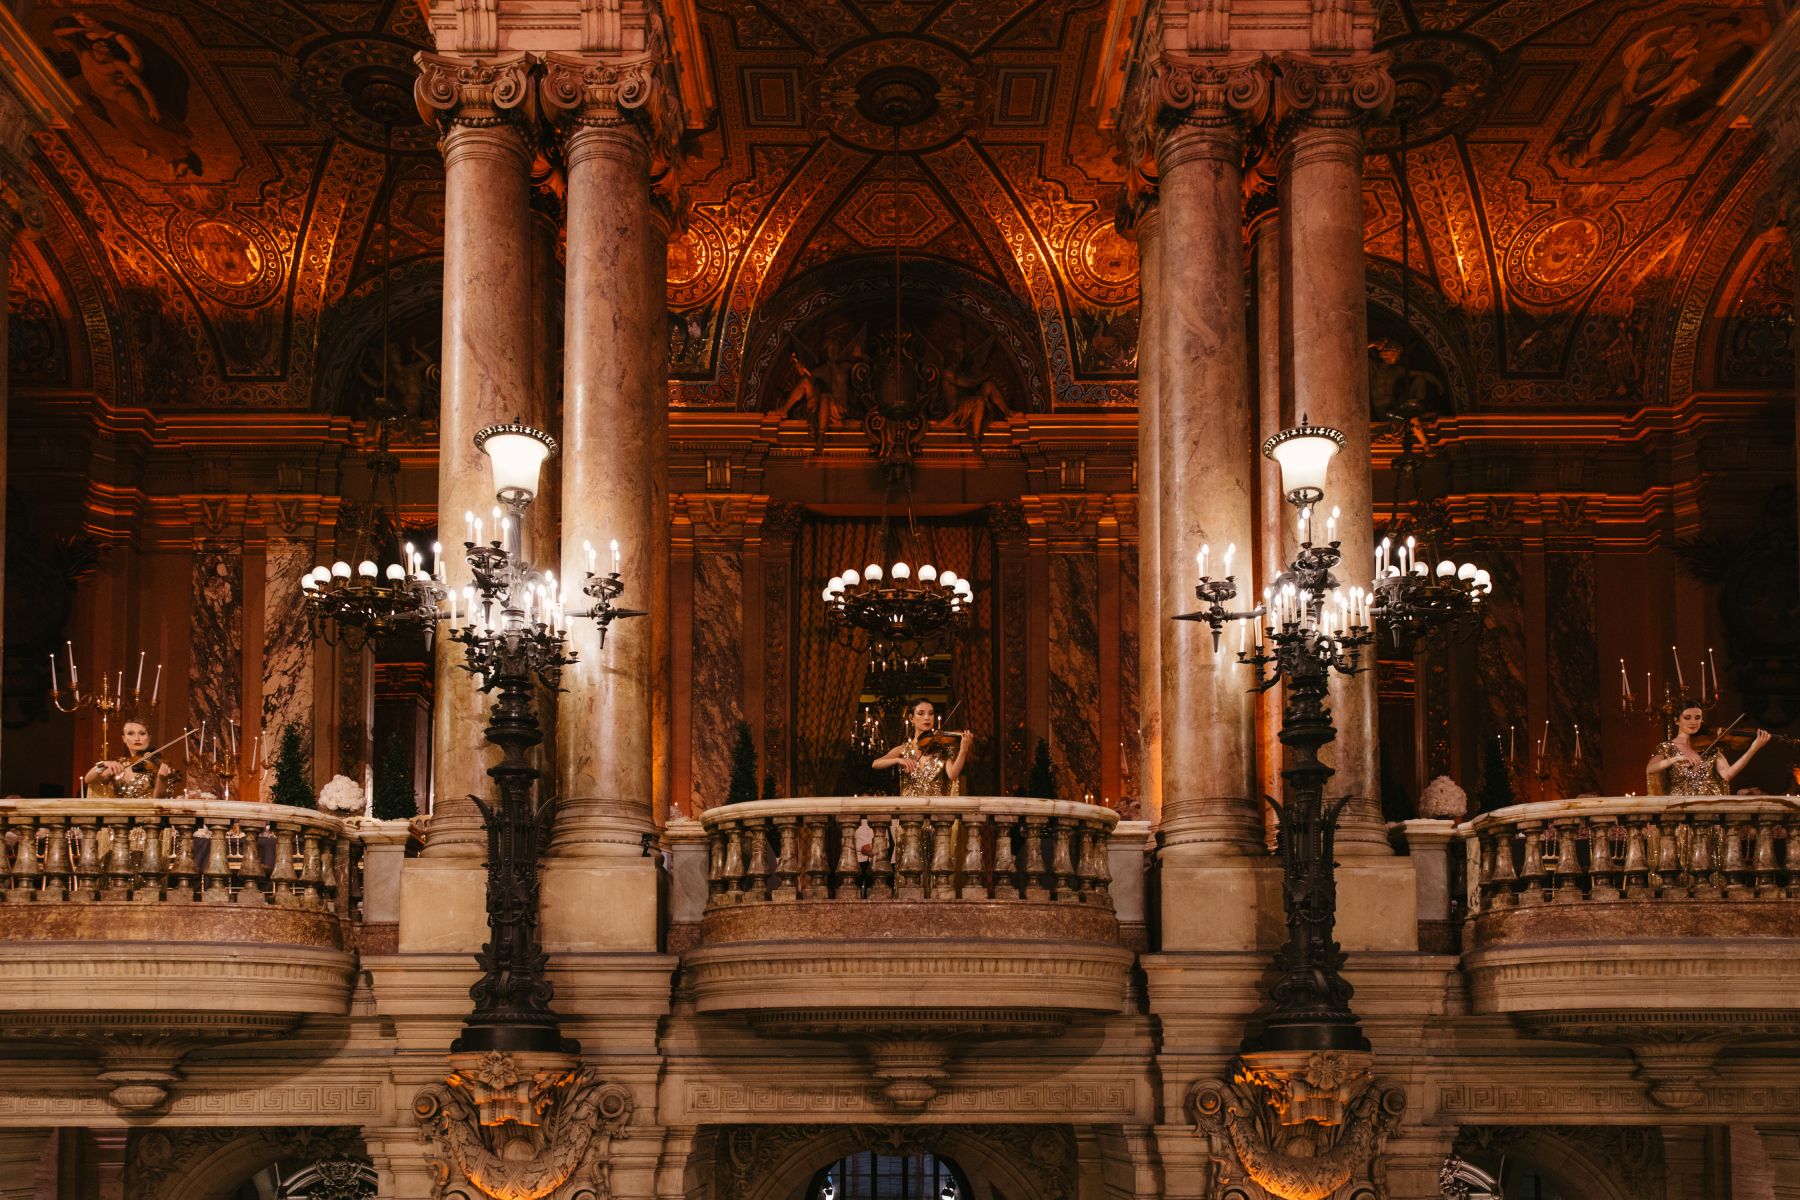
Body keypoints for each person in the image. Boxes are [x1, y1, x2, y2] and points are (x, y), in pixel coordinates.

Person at [1646, 704, 1769, 796]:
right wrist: (1675, 759)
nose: (1693, 722)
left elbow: (1727, 774)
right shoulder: (1667, 747)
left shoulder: (1710, 745)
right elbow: (1650, 768)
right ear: (1676, 720)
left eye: (1697, 717)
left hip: (1711, 802)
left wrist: (1753, 749)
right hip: (1680, 803)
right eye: (1687, 718)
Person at [871, 699, 972, 797]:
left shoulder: (941, 747)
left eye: (931, 713)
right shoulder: (903, 749)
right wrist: (898, 760)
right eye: (921, 713)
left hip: (936, 809)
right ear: (911, 718)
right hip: (910, 809)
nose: (927, 717)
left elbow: (953, 774)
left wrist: (963, 749)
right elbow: (875, 764)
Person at [83, 718, 177, 799]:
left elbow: (159, 800)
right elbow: (89, 779)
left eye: (142, 733)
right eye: (130, 733)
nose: (137, 738)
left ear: (149, 737)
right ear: (124, 738)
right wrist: (103, 764)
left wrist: (162, 780)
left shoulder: (158, 764)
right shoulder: (120, 764)